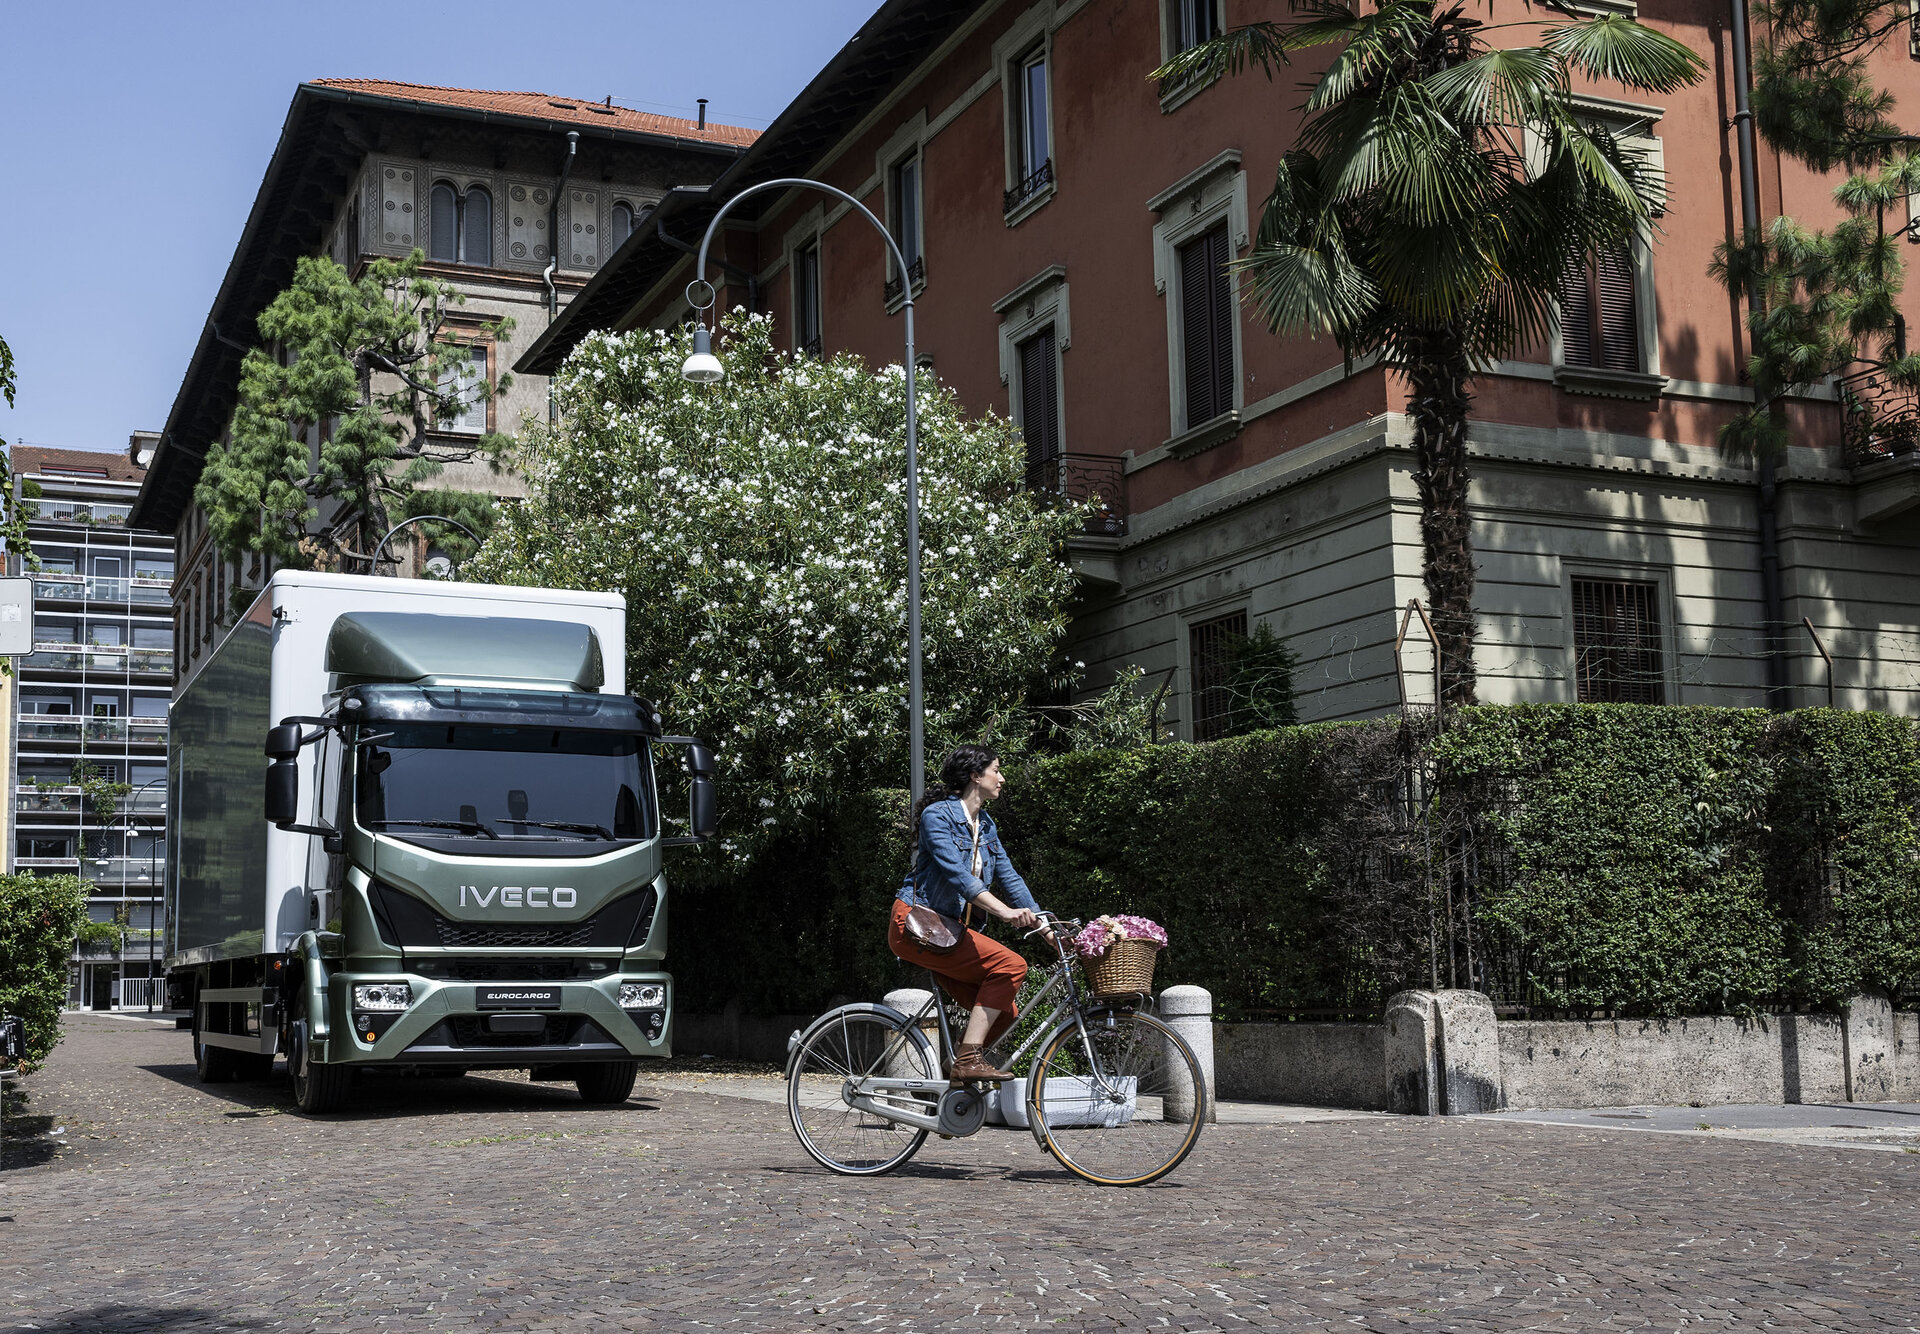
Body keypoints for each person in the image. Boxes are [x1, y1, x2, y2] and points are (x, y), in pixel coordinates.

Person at [888, 743, 1044, 1084]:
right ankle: (968, 1061)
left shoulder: (985, 824)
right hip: (917, 925)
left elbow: (1010, 878)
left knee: (1005, 1012)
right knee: (1012, 966)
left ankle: (952, 1079)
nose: (1002, 779)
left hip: (948, 932)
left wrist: (1046, 927)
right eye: (996, 771)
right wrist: (1004, 912)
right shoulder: (937, 816)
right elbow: (957, 875)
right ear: (975, 775)